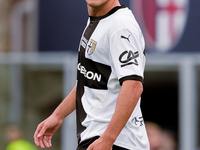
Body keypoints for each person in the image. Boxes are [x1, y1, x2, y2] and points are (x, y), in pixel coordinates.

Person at [34, 0, 149, 149]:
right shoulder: (99, 19)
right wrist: (58, 115)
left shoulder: (120, 26)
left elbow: (133, 86)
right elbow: (89, 80)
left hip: (116, 141)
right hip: (101, 137)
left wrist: (108, 138)